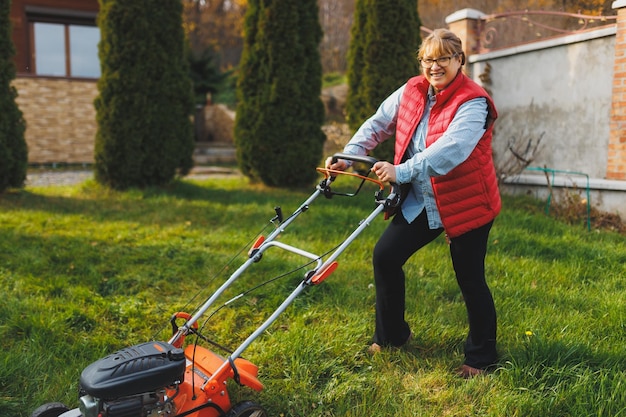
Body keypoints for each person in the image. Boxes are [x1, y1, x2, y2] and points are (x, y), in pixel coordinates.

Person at [326, 28, 500, 378]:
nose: (435, 66)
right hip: (423, 197)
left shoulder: (473, 101)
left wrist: (401, 170)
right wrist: (349, 155)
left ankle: (482, 358)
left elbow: (451, 150)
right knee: (386, 256)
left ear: (459, 60)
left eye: (443, 58)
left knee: (469, 278)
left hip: (467, 201)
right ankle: (391, 337)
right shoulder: (412, 90)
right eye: (428, 59)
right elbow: (379, 122)